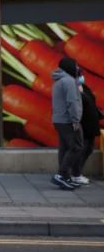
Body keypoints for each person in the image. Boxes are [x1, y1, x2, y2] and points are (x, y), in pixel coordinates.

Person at [51, 57, 84, 190]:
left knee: (65, 148)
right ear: (69, 66)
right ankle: (62, 175)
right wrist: (76, 120)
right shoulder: (69, 81)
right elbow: (72, 102)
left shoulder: (59, 81)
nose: (77, 68)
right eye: (76, 66)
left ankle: (65, 177)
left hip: (59, 119)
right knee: (77, 146)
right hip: (68, 120)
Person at [72, 75, 103, 185]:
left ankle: (77, 172)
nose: (81, 77)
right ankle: (75, 174)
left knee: (89, 149)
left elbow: (91, 102)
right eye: (78, 76)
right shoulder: (74, 90)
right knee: (82, 149)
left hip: (91, 123)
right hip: (83, 124)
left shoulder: (85, 88)